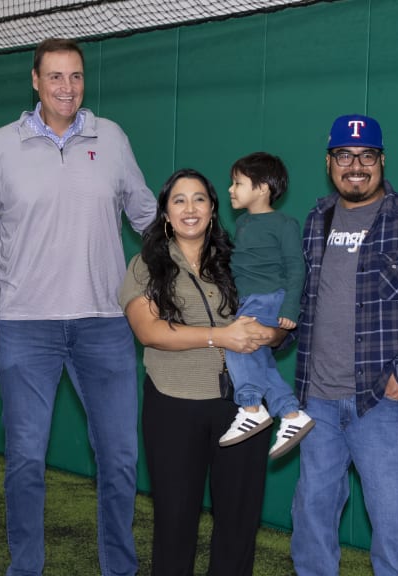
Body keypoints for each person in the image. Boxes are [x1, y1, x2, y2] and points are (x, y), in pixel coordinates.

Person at [0, 37, 156, 576]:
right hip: (24, 327)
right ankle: (26, 567)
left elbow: (148, 219)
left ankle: (120, 567)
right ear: (35, 81)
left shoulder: (111, 138)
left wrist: (195, 263)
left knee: (119, 460)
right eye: (55, 77)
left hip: (106, 325)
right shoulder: (2, 146)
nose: (66, 88)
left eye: (75, 77)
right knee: (24, 461)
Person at [290, 115, 398, 576]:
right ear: (329, 162)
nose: (356, 166)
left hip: (383, 404)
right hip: (318, 404)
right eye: (345, 156)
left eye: (367, 156)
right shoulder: (316, 220)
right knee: (311, 522)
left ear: (381, 161)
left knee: (394, 532)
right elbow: (302, 300)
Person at [121, 168, 283, 576]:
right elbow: (149, 331)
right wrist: (221, 336)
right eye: (179, 200)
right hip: (174, 405)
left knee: (238, 524)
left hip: (244, 408)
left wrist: (272, 333)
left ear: (213, 210)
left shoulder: (241, 260)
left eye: (199, 199)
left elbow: (279, 324)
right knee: (175, 524)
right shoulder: (145, 265)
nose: (189, 208)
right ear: (165, 213)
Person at [219, 152, 312, 458]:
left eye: (238, 183)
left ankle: (250, 406)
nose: (231, 189)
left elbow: (297, 269)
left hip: (268, 299)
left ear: (261, 188)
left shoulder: (284, 224)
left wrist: (289, 310)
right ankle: (291, 414)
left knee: (236, 345)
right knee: (262, 363)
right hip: (249, 300)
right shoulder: (244, 222)